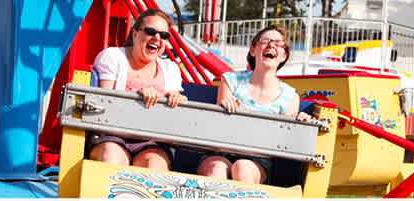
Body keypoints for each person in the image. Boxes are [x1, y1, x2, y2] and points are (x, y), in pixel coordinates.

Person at [197, 25, 310, 184]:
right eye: (266, 41)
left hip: (257, 159)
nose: (271, 45)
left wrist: (300, 123)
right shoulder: (231, 81)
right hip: (221, 152)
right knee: (216, 170)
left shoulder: (290, 97)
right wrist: (225, 105)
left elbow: (284, 137)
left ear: (283, 55)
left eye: (278, 43)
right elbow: (221, 124)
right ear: (252, 50)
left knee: (243, 169)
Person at [90, 9, 187, 171]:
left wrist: (176, 100)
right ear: (135, 34)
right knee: (111, 157)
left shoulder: (171, 69)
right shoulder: (113, 57)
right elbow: (104, 103)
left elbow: (176, 118)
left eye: (163, 35)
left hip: (152, 141)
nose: (157, 38)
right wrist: (136, 96)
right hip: (113, 135)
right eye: (150, 31)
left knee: (154, 166)